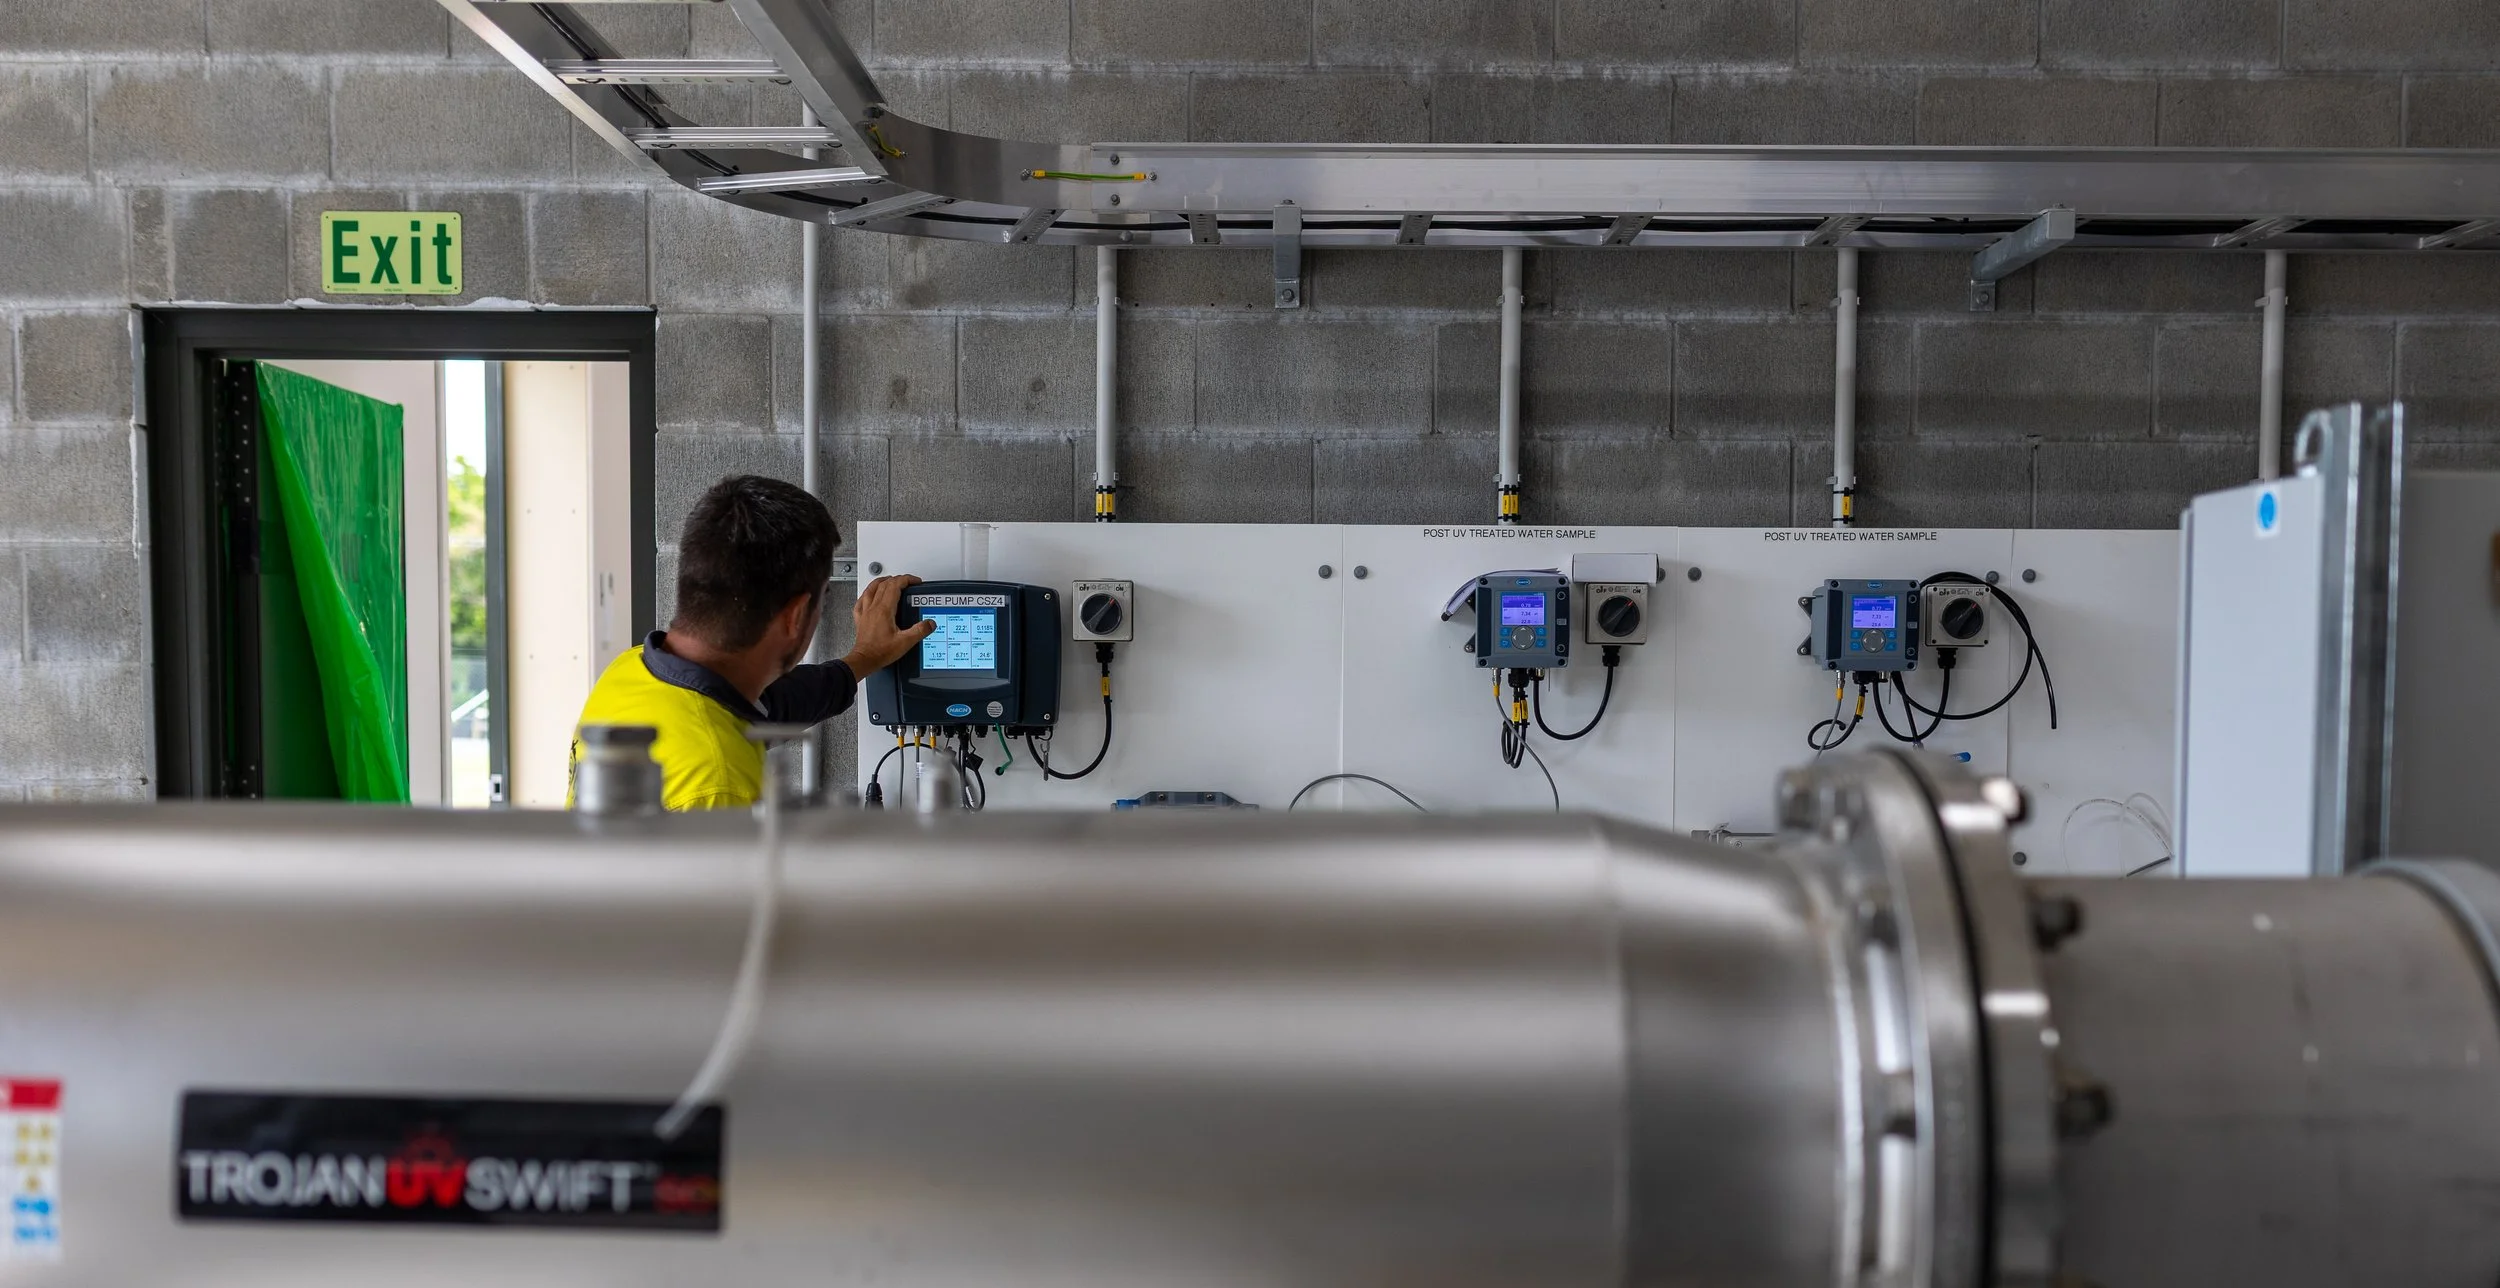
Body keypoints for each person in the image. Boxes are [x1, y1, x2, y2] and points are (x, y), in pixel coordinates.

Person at [570, 475, 932, 811]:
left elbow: (769, 705)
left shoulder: (631, 673)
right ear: (795, 616)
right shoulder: (719, 780)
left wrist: (865, 658)